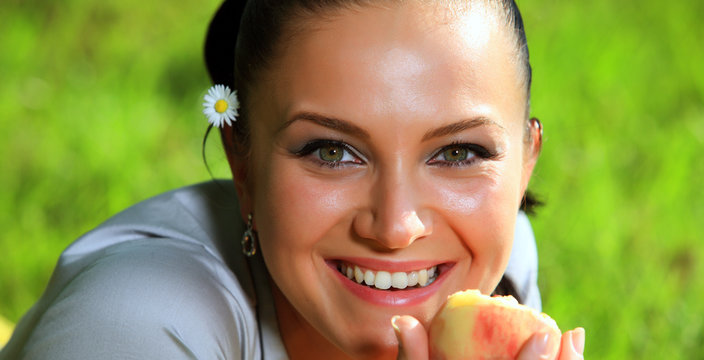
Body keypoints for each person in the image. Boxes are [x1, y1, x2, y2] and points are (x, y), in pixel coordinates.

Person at [0, 0, 586, 359]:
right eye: (332, 151)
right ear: (243, 162)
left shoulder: (498, 271)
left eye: (459, 153)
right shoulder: (136, 327)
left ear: (524, 162)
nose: (397, 227)